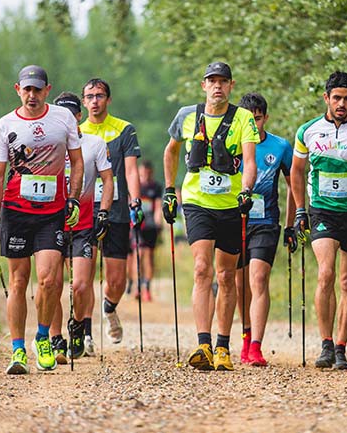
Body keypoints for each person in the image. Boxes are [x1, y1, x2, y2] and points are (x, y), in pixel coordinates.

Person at [0, 65, 83, 374]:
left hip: (52, 211)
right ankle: (17, 350)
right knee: (18, 280)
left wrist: (73, 198)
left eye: (37, 89)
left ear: (47, 90)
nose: (32, 95)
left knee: (50, 279)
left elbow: (77, 163)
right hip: (16, 210)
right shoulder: (5, 125)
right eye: (27, 89)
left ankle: (42, 337)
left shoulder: (63, 119)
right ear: (17, 90)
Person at [163, 61, 259, 371]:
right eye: (211, 81)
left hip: (230, 204)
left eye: (223, 81)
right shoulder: (187, 116)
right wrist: (168, 188)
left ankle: (222, 346)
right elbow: (171, 151)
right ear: (203, 85)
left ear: (231, 86)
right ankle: (203, 344)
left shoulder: (243, 118)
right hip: (196, 202)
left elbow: (249, 159)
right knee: (202, 268)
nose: (217, 86)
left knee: (226, 276)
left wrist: (247, 189)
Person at [290, 70, 347, 370]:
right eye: (337, 98)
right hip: (322, 211)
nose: (342, 103)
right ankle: (326, 344)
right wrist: (300, 209)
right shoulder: (308, 131)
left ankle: (341, 346)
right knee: (326, 273)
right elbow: (297, 172)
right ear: (326, 98)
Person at [48, 92, 113, 363]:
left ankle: (76, 326)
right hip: (50, 223)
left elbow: (108, 180)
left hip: (83, 223)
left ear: (78, 116)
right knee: (50, 284)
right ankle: (55, 339)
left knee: (81, 285)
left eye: (70, 114)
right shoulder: (48, 144)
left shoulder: (94, 143)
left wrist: (104, 213)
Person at [233, 92, 296, 367]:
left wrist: (293, 222)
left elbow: (294, 184)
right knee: (239, 284)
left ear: (265, 118)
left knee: (258, 279)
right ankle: (245, 337)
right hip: (234, 222)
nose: (253, 125)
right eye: (248, 120)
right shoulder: (232, 145)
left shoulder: (280, 146)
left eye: (257, 119)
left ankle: (257, 346)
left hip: (266, 223)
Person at [80, 77, 142, 344]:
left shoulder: (124, 129)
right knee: (85, 275)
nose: (95, 101)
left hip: (115, 210)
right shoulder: (76, 132)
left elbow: (130, 170)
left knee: (117, 280)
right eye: (90, 96)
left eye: (100, 96)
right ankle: (85, 332)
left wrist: (135, 201)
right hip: (85, 210)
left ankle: (109, 308)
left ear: (108, 99)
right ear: (84, 102)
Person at [126, 160, 163, 301]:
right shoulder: (136, 187)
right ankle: (137, 286)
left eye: (147, 172)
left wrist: (158, 222)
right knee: (138, 254)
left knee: (148, 256)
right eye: (142, 172)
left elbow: (158, 206)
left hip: (151, 226)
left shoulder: (156, 187)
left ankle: (147, 287)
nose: (145, 175)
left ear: (151, 172)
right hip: (137, 225)